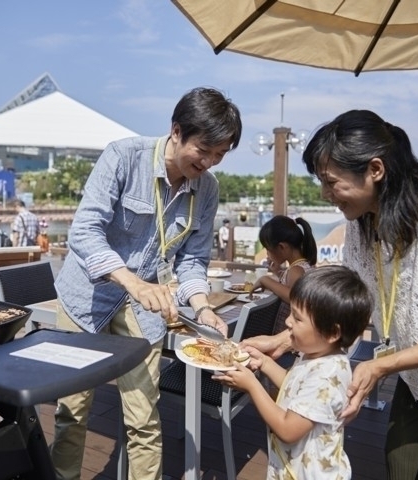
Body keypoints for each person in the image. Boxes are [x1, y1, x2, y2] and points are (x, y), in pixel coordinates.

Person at [249, 109, 418, 479]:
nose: (325, 195)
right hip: (413, 369)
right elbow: (341, 308)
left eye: (331, 182)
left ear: (375, 169)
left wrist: (380, 365)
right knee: (400, 466)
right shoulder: (362, 222)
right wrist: (280, 341)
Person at [50, 86, 242, 480]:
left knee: (144, 417)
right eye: (204, 150)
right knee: (72, 410)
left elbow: (193, 259)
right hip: (86, 298)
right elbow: (84, 232)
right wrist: (132, 282)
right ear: (176, 131)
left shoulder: (207, 189)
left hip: (144, 308)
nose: (209, 162)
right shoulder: (123, 156)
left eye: (220, 155)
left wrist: (203, 308)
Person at [214, 266, 372, 480]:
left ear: (332, 333)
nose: (288, 322)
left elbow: (287, 430)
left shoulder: (326, 374)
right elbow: (294, 387)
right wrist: (265, 363)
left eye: (297, 319)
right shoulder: (317, 354)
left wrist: (252, 386)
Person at [253, 215, 317, 334]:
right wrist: (278, 272)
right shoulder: (304, 265)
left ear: (282, 247)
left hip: (289, 336)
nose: (267, 254)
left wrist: (265, 280)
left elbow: (293, 297)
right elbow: (293, 285)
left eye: (268, 249)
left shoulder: (296, 270)